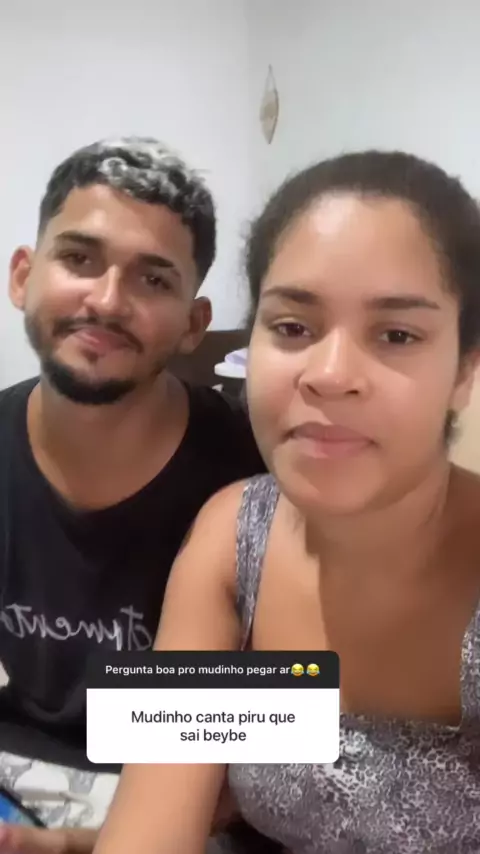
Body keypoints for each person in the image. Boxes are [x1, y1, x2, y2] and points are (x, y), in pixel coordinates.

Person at [94, 149, 480, 854]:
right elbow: (155, 810)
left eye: (396, 334)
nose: (329, 375)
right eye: (293, 327)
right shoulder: (230, 536)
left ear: (464, 370)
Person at [0, 137, 266, 853]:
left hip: (188, 801)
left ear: (193, 324)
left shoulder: (252, 483)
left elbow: (277, 742)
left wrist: (71, 844)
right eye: (79, 259)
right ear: (23, 276)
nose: (107, 301)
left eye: (152, 279)